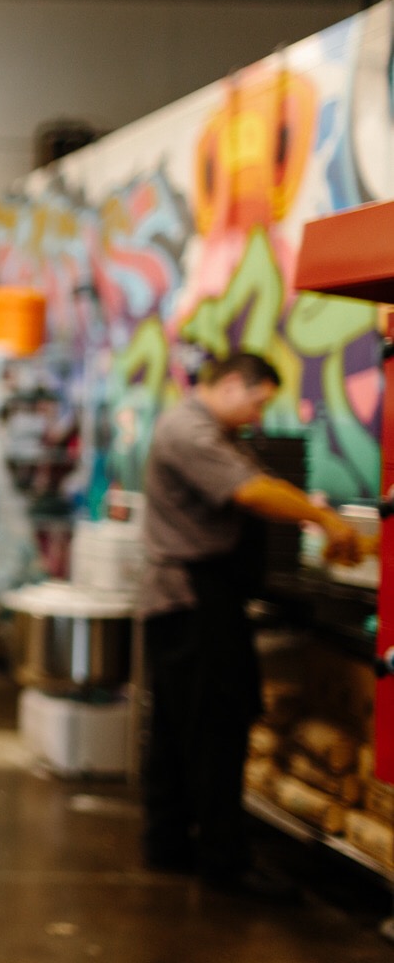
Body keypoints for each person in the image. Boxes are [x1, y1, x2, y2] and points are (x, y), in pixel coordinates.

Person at [139, 351, 366, 897]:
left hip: (190, 601)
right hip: (193, 600)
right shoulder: (189, 431)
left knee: (179, 728)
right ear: (236, 385)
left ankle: (170, 846)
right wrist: (324, 517)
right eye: (260, 401)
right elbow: (250, 490)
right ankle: (223, 861)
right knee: (214, 728)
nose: (259, 415)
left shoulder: (207, 430)